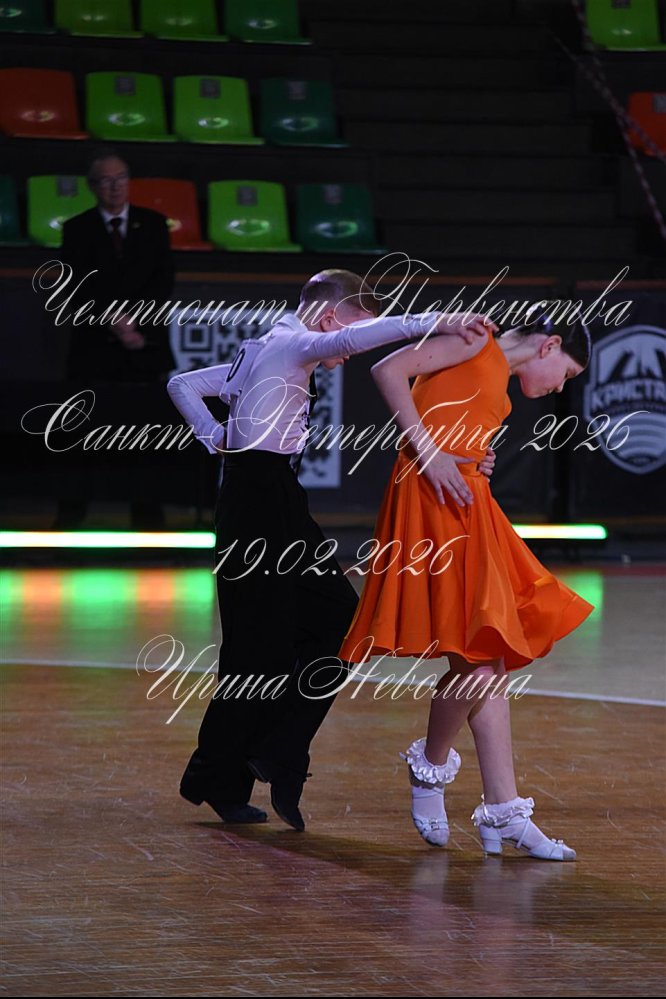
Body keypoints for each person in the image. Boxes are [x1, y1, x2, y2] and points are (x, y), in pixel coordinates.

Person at [166, 268, 498, 831]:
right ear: (327, 317)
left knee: (330, 623)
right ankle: (232, 772)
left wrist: (213, 435)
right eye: (347, 334)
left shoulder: (266, 348)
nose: (344, 355)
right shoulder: (294, 344)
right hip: (257, 502)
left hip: (271, 497)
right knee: (259, 649)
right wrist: (441, 320)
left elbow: (183, 385)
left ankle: (270, 754)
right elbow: (352, 340)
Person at [337, 305, 594, 860]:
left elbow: (452, 415)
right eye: (567, 375)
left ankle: (503, 808)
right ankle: (432, 768)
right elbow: (387, 370)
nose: (560, 388)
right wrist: (431, 453)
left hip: (466, 500)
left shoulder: (496, 369)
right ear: (550, 345)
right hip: (433, 501)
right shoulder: (478, 339)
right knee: (480, 658)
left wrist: (475, 456)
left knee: (490, 656)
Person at [53, 147, 175, 530]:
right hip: (93, 349)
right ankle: (71, 521)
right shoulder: (77, 229)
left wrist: (134, 324)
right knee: (80, 436)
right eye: (106, 181)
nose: (115, 187)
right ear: (93, 187)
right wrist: (112, 320)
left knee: (146, 437)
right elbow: (74, 288)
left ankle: (150, 524)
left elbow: (162, 282)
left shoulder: (153, 224)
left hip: (144, 345)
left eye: (120, 178)